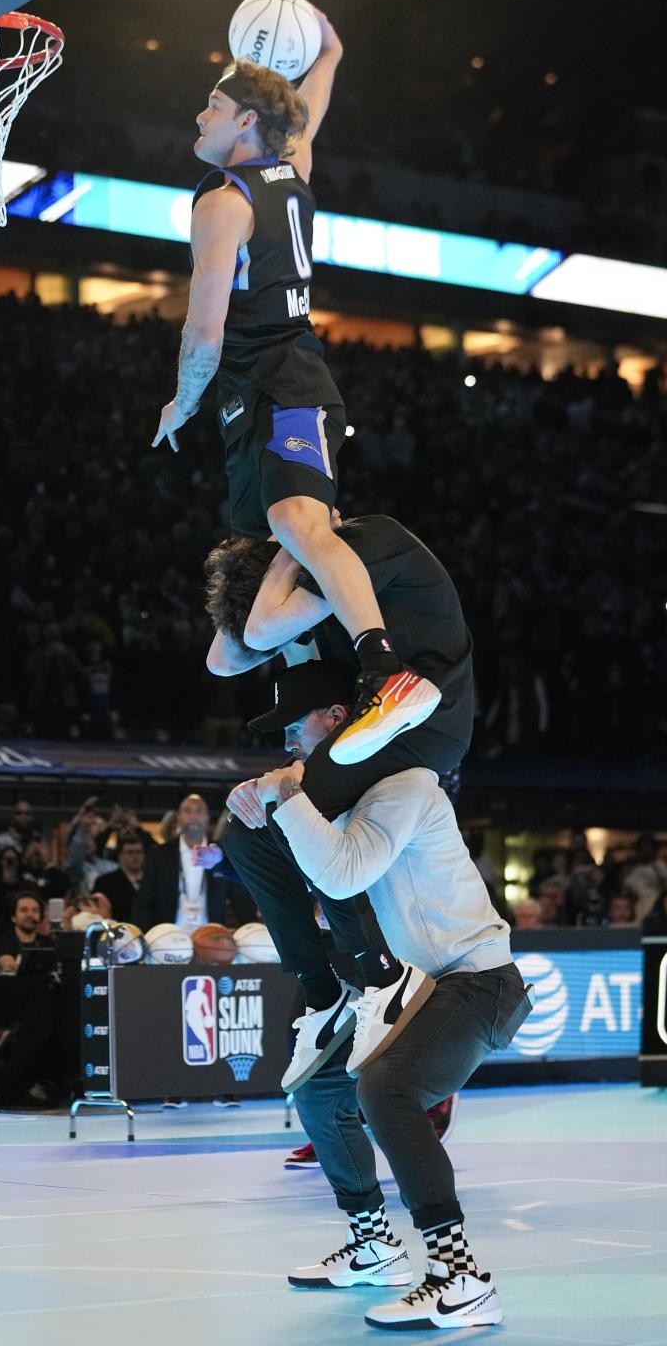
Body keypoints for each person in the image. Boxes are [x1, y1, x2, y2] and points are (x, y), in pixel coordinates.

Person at [151, 20, 438, 765]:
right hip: (258, 401)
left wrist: (180, 402)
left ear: (246, 121)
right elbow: (305, 115)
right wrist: (331, 55)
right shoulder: (292, 168)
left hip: (285, 384)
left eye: (211, 105)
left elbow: (205, 333)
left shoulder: (222, 202)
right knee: (227, 649)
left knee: (298, 524)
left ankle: (384, 671)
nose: (198, 116)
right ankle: (323, 663)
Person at [225, 696, 531, 1329]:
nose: (286, 740)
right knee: (318, 1091)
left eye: (295, 725)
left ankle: (461, 1276)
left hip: (477, 981)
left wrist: (285, 792)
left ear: (337, 719)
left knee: (383, 1088)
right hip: (410, 990)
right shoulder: (342, 799)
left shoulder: (409, 786)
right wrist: (253, 804)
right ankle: (373, 1244)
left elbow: (340, 875)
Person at [204, 516, 475, 1084]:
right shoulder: (309, 578)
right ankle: (323, 994)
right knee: (247, 833)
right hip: (373, 723)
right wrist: (287, 551)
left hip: (427, 719)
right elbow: (222, 659)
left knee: (286, 826)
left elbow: (255, 635)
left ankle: (383, 979)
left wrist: (292, 542)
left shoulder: (365, 545)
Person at [133, 794, 255, 934]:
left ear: (207, 817)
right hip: (168, 937)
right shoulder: (159, 855)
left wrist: (251, 933)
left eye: (198, 811)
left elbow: (241, 901)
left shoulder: (221, 854)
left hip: (212, 938)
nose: (193, 816)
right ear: (178, 817)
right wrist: (143, 935)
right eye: (187, 811)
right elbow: (144, 900)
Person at [0, 890, 50, 970]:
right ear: (13, 917)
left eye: (35, 911)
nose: (30, 915)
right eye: (24, 910)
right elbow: (6, 963)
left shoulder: (49, 943)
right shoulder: (2, 943)